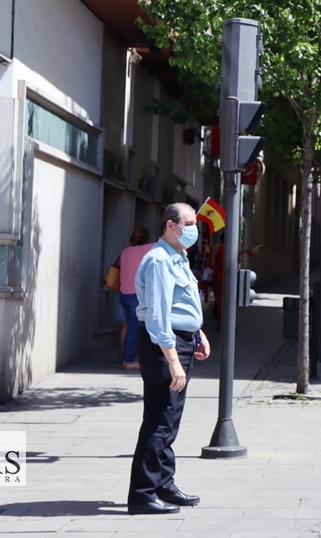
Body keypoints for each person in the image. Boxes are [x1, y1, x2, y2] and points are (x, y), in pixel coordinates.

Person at [128, 203, 211, 515]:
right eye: (189, 222)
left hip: (181, 340)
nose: (194, 228)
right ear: (170, 225)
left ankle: (163, 482)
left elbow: (182, 303)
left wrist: (198, 332)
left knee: (170, 419)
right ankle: (142, 494)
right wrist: (173, 359)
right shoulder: (159, 261)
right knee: (160, 420)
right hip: (164, 345)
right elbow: (159, 316)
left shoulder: (179, 258)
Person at [114, 227, 155, 370]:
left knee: (126, 327)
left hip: (123, 293)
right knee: (134, 328)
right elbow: (165, 242)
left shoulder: (124, 252)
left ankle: (124, 355)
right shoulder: (147, 250)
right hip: (135, 295)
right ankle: (129, 360)